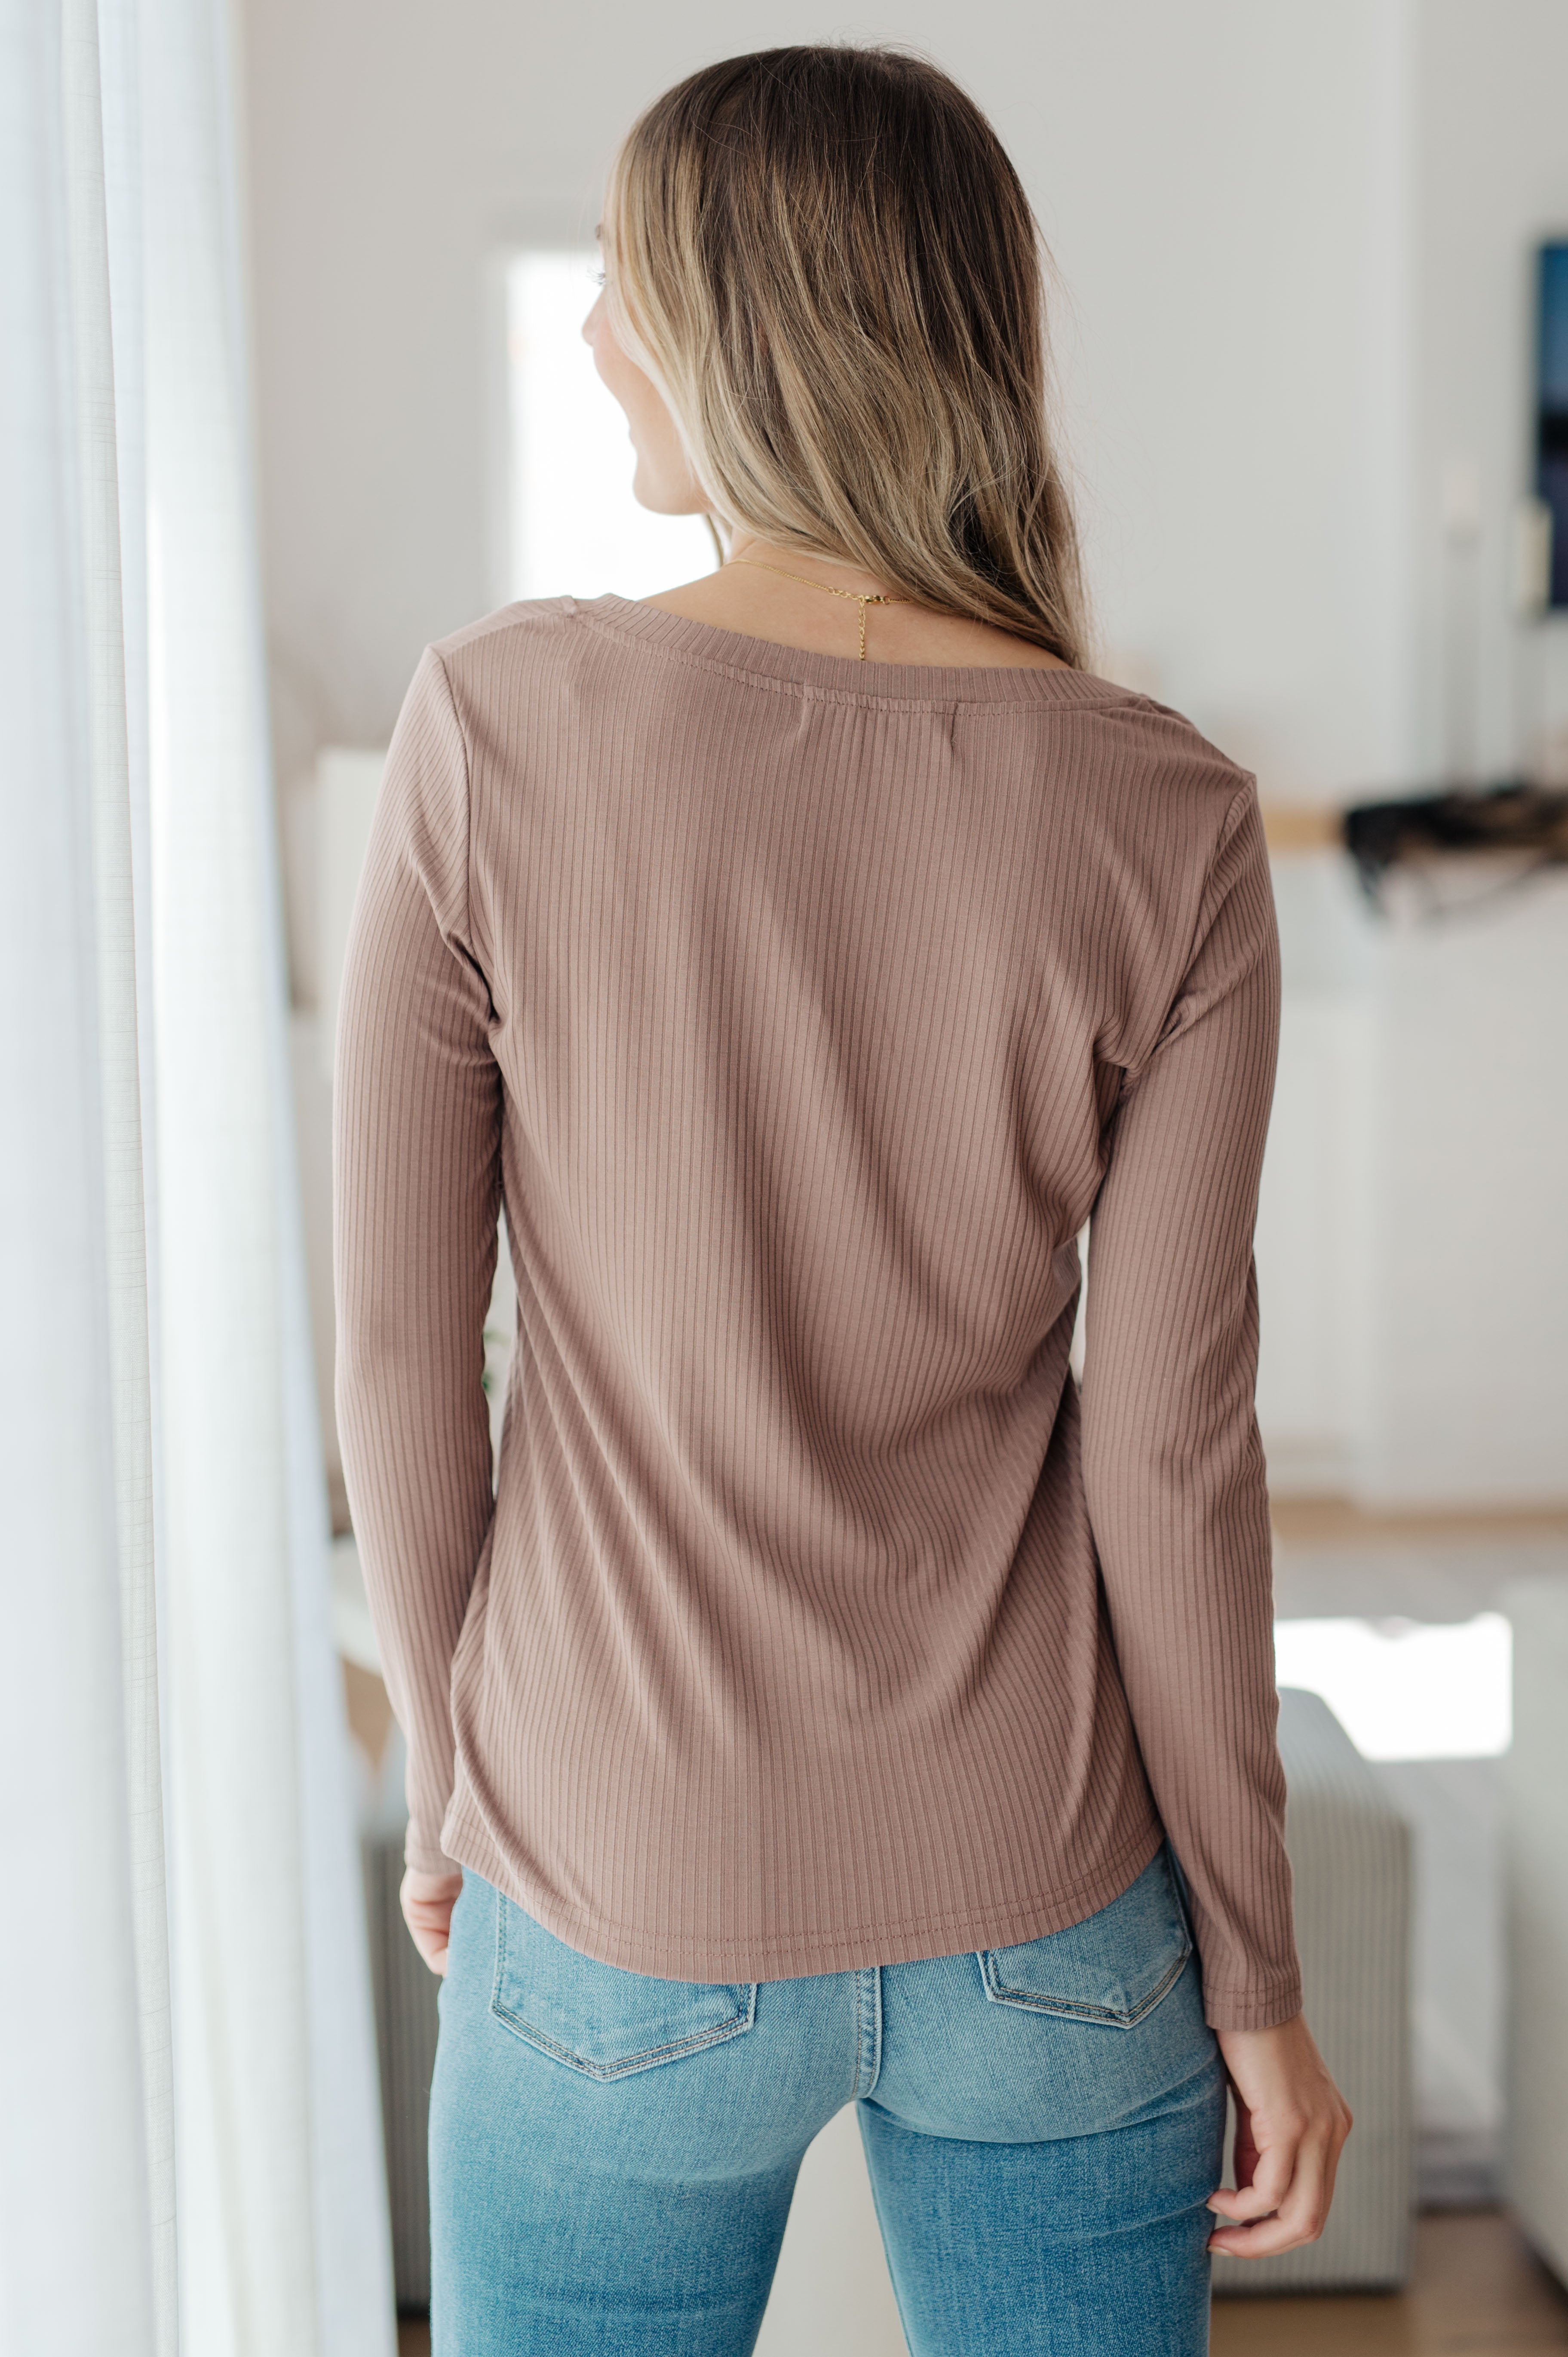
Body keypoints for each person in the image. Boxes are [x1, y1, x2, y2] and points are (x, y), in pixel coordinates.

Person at [333, 43, 1351, 2356]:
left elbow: (405, 1355)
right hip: (1052, 1914)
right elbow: (1172, 1451)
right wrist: (1258, 1969)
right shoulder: (1165, 809)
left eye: (627, 284)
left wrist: (451, 1794)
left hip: (612, 1895)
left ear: (744, 320)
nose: (598, 339)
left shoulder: (491, 729)